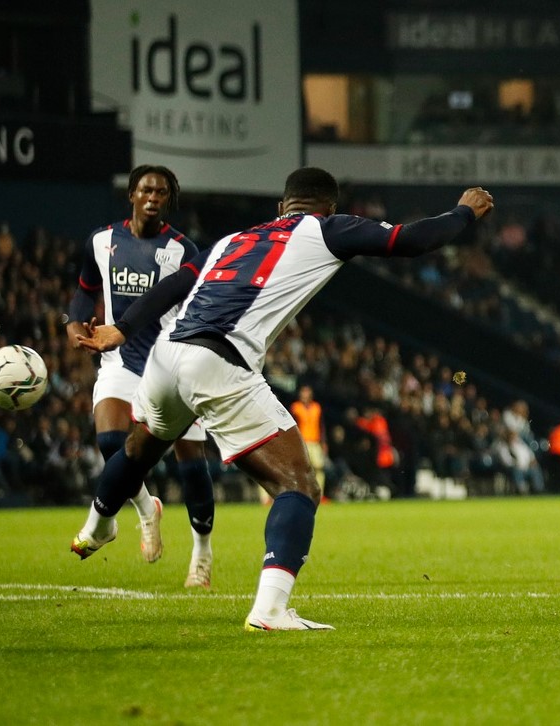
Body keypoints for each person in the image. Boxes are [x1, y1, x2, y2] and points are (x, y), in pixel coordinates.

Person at [73, 168, 493, 630]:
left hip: (165, 354)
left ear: (280, 208)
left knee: (139, 449)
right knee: (299, 486)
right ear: (329, 208)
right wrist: (464, 212)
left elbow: (173, 286)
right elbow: (410, 240)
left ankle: (98, 525)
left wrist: (123, 328)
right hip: (217, 360)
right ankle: (271, 609)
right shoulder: (327, 229)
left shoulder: (233, 239)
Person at [65, 165, 217, 588]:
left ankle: (202, 552)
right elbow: (84, 291)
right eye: (146, 190)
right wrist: (74, 324)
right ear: (131, 193)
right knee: (111, 442)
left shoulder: (182, 250)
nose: (153, 197)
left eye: (162, 192)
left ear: (169, 200)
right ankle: (146, 508)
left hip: (172, 366)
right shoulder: (101, 241)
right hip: (120, 361)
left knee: (192, 466)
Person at [290, 385, 326, 496]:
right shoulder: (295, 408)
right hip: (302, 442)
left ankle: (319, 494)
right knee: (302, 468)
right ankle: (302, 492)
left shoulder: (316, 407)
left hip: (315, 441)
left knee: (319, 467)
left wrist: (323, 442)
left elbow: (321, 425)